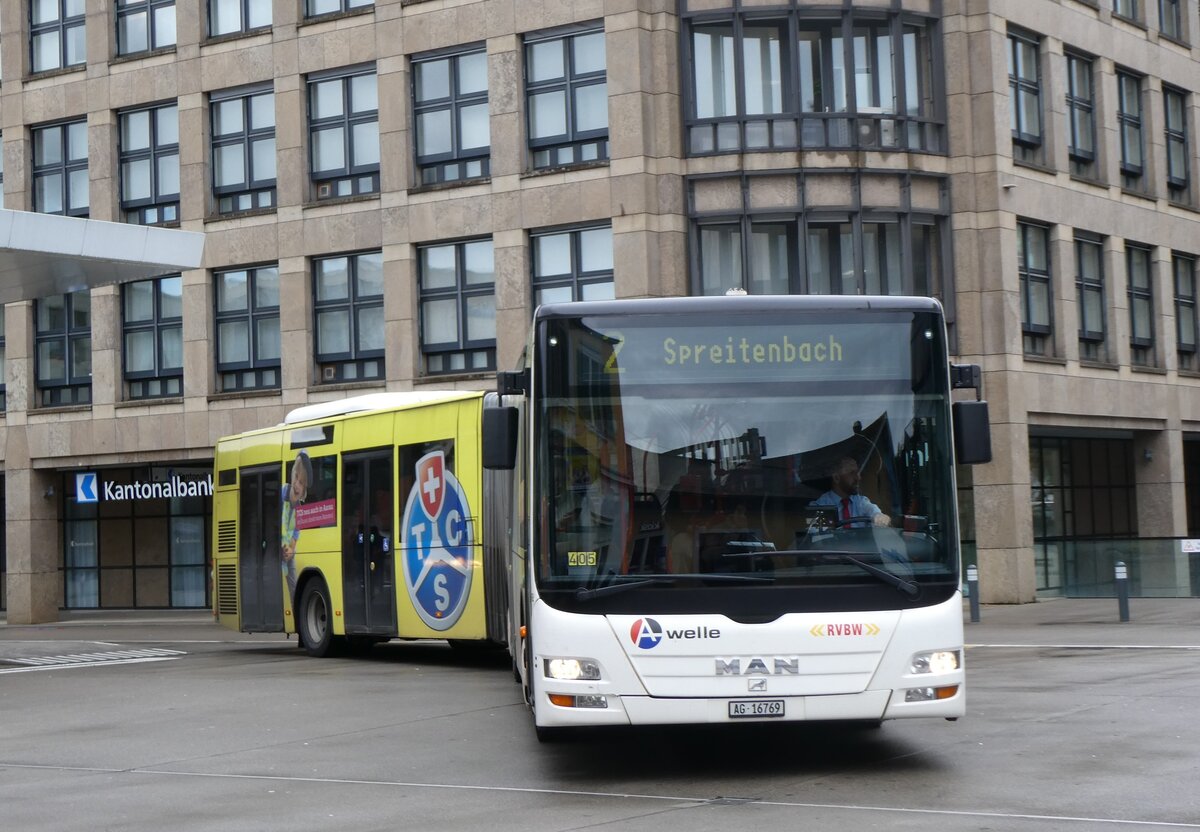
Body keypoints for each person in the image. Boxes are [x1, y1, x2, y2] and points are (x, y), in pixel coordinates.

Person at [810, 456, 890, 528]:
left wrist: (880, 517)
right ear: (836, 478)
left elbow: (873, 510)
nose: (858, 478)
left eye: (858, 473)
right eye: (852, 473)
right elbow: (816, 535)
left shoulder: (861, 502)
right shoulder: (820, 506)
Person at [281, 450, 313, 605]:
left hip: (287, 550)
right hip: (276, 546)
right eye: (296, 478)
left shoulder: (300, 508)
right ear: (292, 475)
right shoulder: (282, 493)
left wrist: (289, 550)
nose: (297, 484)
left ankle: (296, 617)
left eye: (301, 483)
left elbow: (295, 536)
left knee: (294, 588)